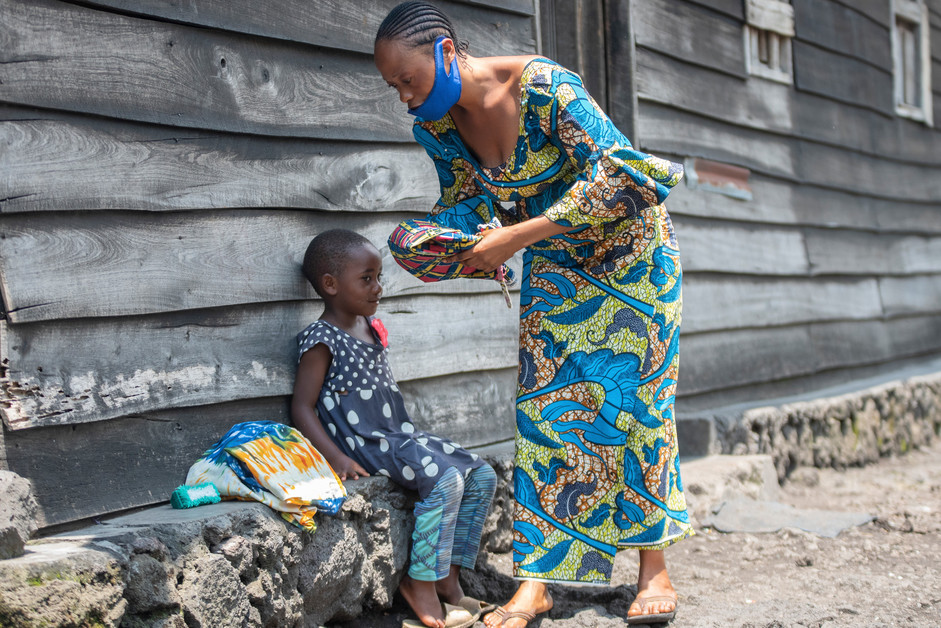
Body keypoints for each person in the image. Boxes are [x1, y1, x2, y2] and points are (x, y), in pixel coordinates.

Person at [374, 2, 693, 626]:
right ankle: (536, 583)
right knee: (546, 408)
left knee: (637, 403)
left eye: (409, 80)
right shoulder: (437, 129)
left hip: (633, 255)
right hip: (554, 259)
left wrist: (513, 239)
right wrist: (443, 242)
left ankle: (652, 570)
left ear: (445, 51)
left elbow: (627, 179)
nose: (406, 99)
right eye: (394, 89)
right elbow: (467, 204)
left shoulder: (545, 88)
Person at [291, 228, 498, 628]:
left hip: (399, 435)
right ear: (330, 285)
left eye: (378, 277)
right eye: (366, 279)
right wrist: (337, 458)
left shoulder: (370, 328)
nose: (378, 288)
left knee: (481, 474)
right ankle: (419, 581)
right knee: (445, 481)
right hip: (366, 442)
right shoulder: (322, 339)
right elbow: (302, 407)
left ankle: (447, 580)